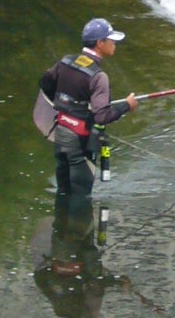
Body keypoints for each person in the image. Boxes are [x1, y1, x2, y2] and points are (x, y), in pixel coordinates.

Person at [38, 17, 138, 198]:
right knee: (80, 199)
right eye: (111, 39)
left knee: (63, 193)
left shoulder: (66, 62)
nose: (114, 43)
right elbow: (101, 116)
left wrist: (66, 103)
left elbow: (45, 83)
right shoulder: (99, 77)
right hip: (80, 142)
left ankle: (60, 225)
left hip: (60, 135)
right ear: (100, 43)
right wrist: (126, 106)